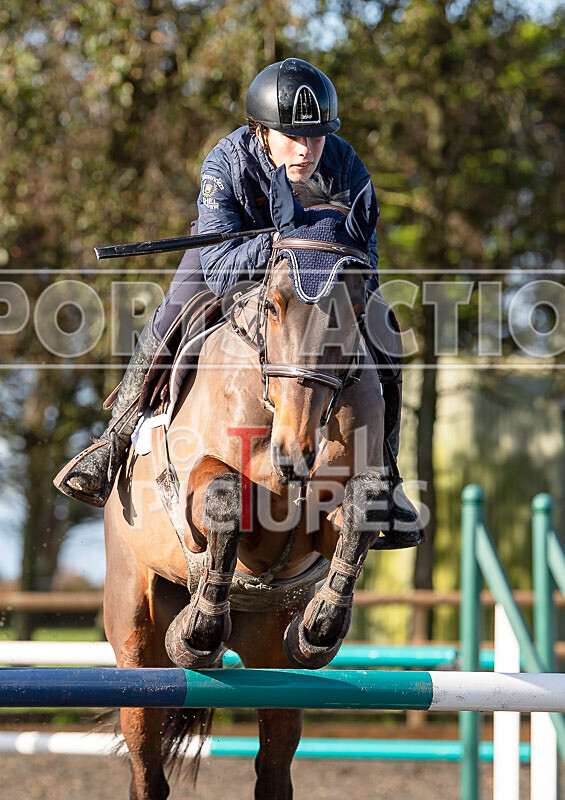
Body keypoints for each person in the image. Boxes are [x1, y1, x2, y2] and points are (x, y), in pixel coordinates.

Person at [55, 58, 421, 540]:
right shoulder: (225, 162)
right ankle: (114, 441)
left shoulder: (345, 162)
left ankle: (386, 474)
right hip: (226, 258)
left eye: (316, 136)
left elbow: (365, 255)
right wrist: (279, 246)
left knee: (384, 325)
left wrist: (324, 264)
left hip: (316, 276)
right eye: (292, 136)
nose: (306, 149)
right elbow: (220, 268)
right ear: (261, 131)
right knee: (172, 314)